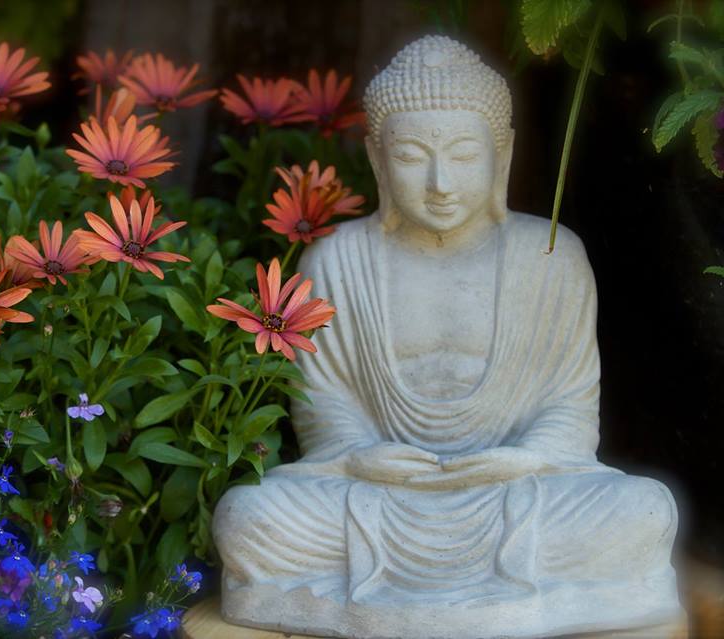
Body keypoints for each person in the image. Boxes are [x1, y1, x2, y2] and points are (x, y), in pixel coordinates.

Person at [213, 35, 683, 639]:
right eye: (412, 156)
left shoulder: (550, 256)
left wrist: (527, 459)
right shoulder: (336, 260)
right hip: (376, 497)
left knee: (644, 510)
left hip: (517, 493)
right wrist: (357, 455)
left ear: (502, 155)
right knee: (247, 516)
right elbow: (322, 402)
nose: (440, 182)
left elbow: (569, 402)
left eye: (464, 154)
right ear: (378, 160)